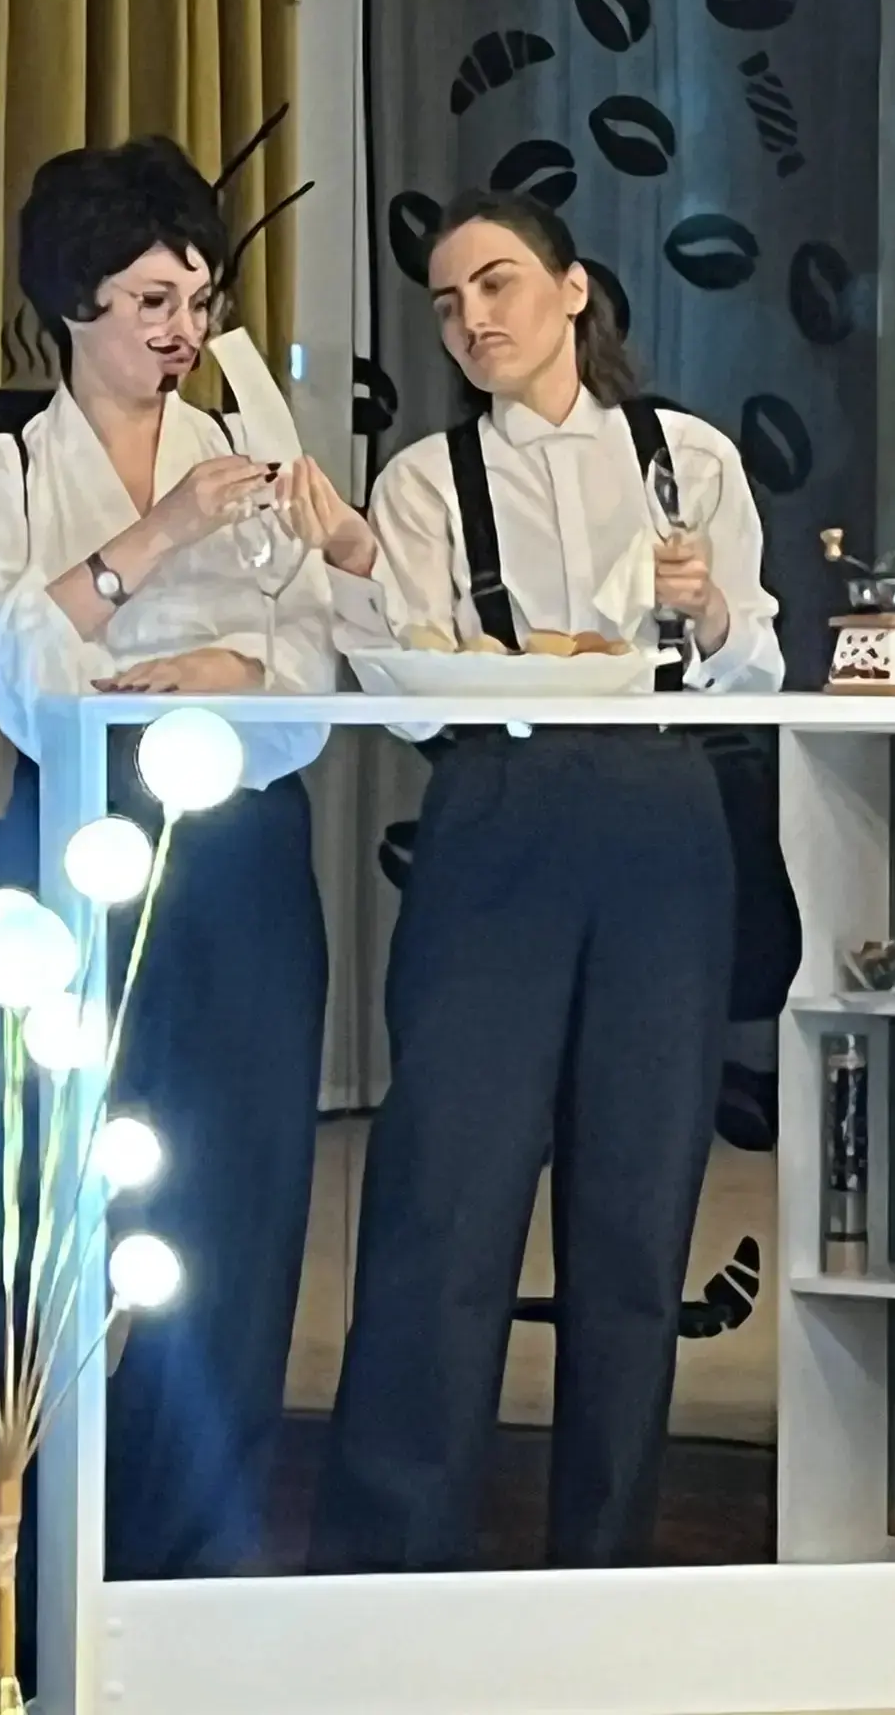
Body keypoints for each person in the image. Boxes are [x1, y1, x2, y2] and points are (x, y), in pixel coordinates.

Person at [0, 137, 335, 1715]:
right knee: (28, 1232)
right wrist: (157, 541)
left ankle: (180, 1600)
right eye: (148, 302)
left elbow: (319, 671)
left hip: (244, 855)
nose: (183, 332)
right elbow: (12, 673)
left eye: (198, 299)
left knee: (236, 1229)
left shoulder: (257, 453)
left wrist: (234, 675)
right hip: (68, 856)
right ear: (74, 304)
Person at [285, 189, 784, 1574]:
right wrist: (364, 580)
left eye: (498, 283)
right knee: (444, 1190)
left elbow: (755, 664)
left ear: (573, 291)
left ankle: (602, 1568)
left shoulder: (691, 457)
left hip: (665, 811)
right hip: (495, 810)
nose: (473, 319)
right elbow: (402, 686)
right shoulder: (424, 482)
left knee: (638, 1204)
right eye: (448, 302)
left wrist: (708, 611)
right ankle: (391, 1562)